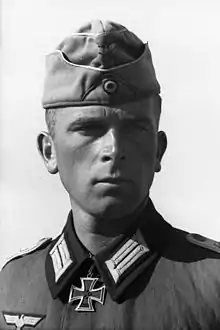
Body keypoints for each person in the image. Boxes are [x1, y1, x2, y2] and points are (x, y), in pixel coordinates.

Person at [0, 19, 220, 330]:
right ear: (49, 152)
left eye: (134, 129)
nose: (113, 149)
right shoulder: (12, 288)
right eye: (88, 129)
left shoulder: (211, 288)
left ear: (158, 150)